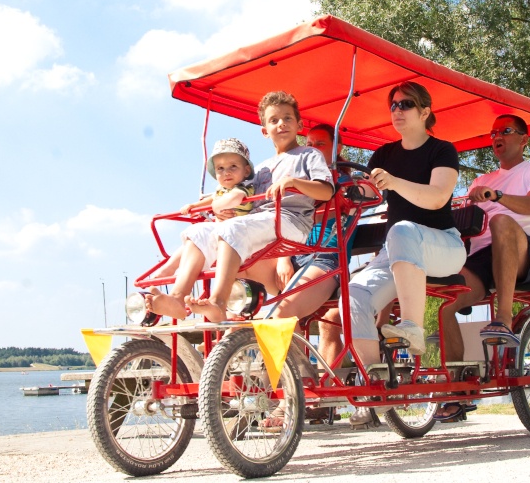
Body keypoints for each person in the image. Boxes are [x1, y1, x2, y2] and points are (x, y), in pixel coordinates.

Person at [146, 92, 333, 324]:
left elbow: (326, 191)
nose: (281, 124)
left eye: (287, 118)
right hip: (260, 221)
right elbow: (236, 193)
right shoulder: (262, 168)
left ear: (299, 125)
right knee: (200, 232)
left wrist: (294, 182)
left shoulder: (308, 155)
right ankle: (177, 296)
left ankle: (218, 302)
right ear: (265, 131)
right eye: (274, 120)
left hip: (290, 220)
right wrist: (206, 206)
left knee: (233, 228)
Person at [323, 81, 464, 370]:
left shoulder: (442, 150)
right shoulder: (384, 155)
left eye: (406, 104)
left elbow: (438, 198)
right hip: (398, 250)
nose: (397, 110)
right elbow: (369, 194)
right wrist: (350, 191)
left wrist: (395, 182)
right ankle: (374, 383)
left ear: (425, 112)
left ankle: (412, 326)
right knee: (353, 297)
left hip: (444, 247)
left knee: (401, 230)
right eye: (394, 105)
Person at [436, 114, 530, 421]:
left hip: (524, 251)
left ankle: (503, 318)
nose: (497, 136)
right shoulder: (480, 181)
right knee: (447, 304)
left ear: (524, 139)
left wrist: (497, 196)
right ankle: (457, 389)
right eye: (493, 133)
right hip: (481, 259)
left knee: (502, 220)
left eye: (505, 131)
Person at [148, 139, 255, 282]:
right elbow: (212, 199)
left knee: (199, 233)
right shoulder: (221, 190)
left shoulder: (243, 188)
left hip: (237, 233)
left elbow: (233, 199)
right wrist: (195, 205)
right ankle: (170, 268)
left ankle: (180, 272)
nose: (226, 173)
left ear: (246, 170)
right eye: (220, 169)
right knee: (192, 240)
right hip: (222, 231)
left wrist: (216, 207)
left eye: (233, 166)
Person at [274, 123, 342, 322]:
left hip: (326, 258)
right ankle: (228, 335)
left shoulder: (347, 181)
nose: (313, 148)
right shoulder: (298, 180)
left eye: (320, 144)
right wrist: (283, 258)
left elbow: (367, 195)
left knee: (283, 314)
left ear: (337, 148)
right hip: (294, 254)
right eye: (309, 144)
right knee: (239, 274)